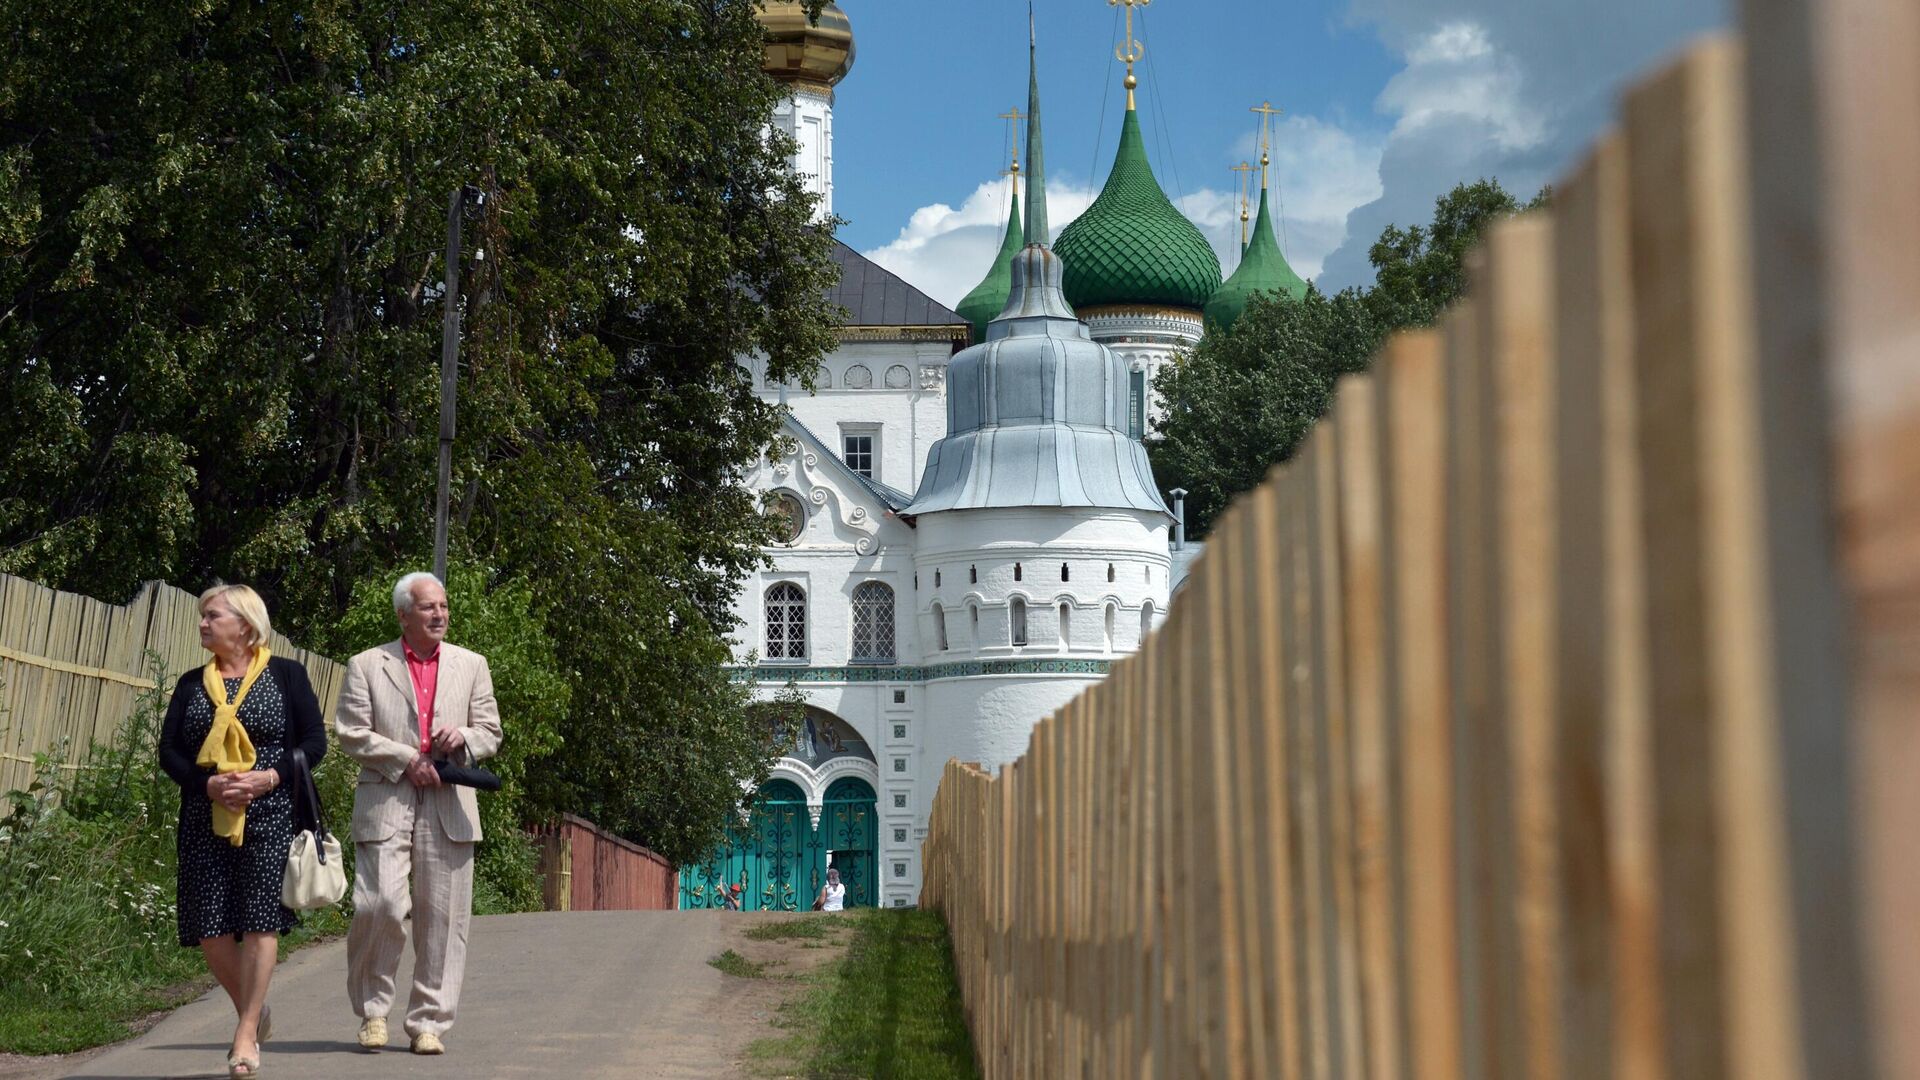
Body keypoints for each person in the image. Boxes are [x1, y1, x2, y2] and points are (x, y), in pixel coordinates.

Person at [158, 584, 327, 1080]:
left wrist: (270, 777)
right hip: (204, 816)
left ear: (245, 626)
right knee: (210, 930)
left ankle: (246, 1032)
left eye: (212, 616)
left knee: (258, 921)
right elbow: (169, 752)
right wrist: (207, 784)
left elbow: (315, 743)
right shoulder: (192, 685)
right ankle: (254, 1011)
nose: (203, 624)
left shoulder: (286, 676)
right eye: (202, 617)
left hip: (271, 812)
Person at [335, 572, 502, 1056]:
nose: (440, 615)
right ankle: (372, 1011)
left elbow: (490, 731)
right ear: (403, 615)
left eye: (444, 607)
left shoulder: (471, 665)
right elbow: (350, 731)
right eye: (429, 608)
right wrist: (406, 758)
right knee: (380, 904)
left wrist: (465, 739)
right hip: (387, 798)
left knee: (443, 918)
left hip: (450, 804)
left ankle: (429, 1021)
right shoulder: (368, 664)